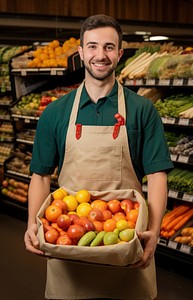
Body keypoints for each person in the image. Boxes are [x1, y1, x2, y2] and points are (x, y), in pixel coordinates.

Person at [24, 14, 173, 300]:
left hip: (127, 243)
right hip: (69, 242)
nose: (100, 55)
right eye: (92, 47)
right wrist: (33, 222)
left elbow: (157, 176)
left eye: (108, 47)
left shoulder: (142, 110)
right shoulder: (56, 112)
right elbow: (40, 175)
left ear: (119, 53)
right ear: (80, 53)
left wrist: (153, 233)